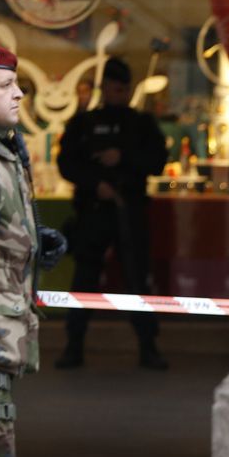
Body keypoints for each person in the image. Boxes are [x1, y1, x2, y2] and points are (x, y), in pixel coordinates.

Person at [0, 43, 66, 457]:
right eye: (3, 85)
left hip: (1, 342)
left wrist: (34, 241)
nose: (18, 93)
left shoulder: (5, 149)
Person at [55, 57, 169, 370]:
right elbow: (67, 164)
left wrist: (123, 157)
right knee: (84, 279)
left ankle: (148, 346)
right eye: (114, 88)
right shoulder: (84, 124)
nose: (120, 94)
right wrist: (95, 184)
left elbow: (157, 161)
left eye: (124, 89)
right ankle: (73, 344)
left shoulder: (141, 124)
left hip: (129, 210)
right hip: (93, 212)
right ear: (104, 88)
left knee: (137, 280)